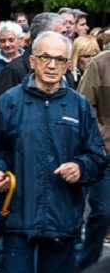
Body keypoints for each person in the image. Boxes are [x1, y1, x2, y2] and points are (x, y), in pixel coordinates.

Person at [0, 31, 107, 273]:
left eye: (59, 59)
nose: (52, 65)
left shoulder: (80, 106)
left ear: (67, 65)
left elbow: (97, 158)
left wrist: (81, 167)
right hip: (17, 220)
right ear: (32, 60)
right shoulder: (9, 103)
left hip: (63, 222)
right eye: (45, 57)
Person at [76, 48, 110, 269]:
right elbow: (84, 107)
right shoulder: (100, 64)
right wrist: (103, 141)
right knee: (104, 211)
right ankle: (86, 265)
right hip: (105, 156)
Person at [0, 12, 72, 94]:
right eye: (63, 34)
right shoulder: (13, 71)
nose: (67, 39)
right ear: (42, 36)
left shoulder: (65, 70)